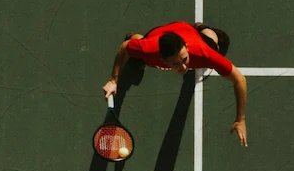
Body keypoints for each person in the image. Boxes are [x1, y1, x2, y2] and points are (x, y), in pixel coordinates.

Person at [102, 22, 247, 146]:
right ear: (164, 60)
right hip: (157, 35)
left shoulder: (204, 54)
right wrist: (113, 80)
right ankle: (137, 37)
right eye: (176, 64)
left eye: (185, 60)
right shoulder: (150, 52)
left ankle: (200, 27)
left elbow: (239, 79)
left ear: (186, 48)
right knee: (138, 47)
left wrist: (240, 119)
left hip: (188, 31)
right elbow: (124, 47)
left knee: (213, 43)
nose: (184, 68)